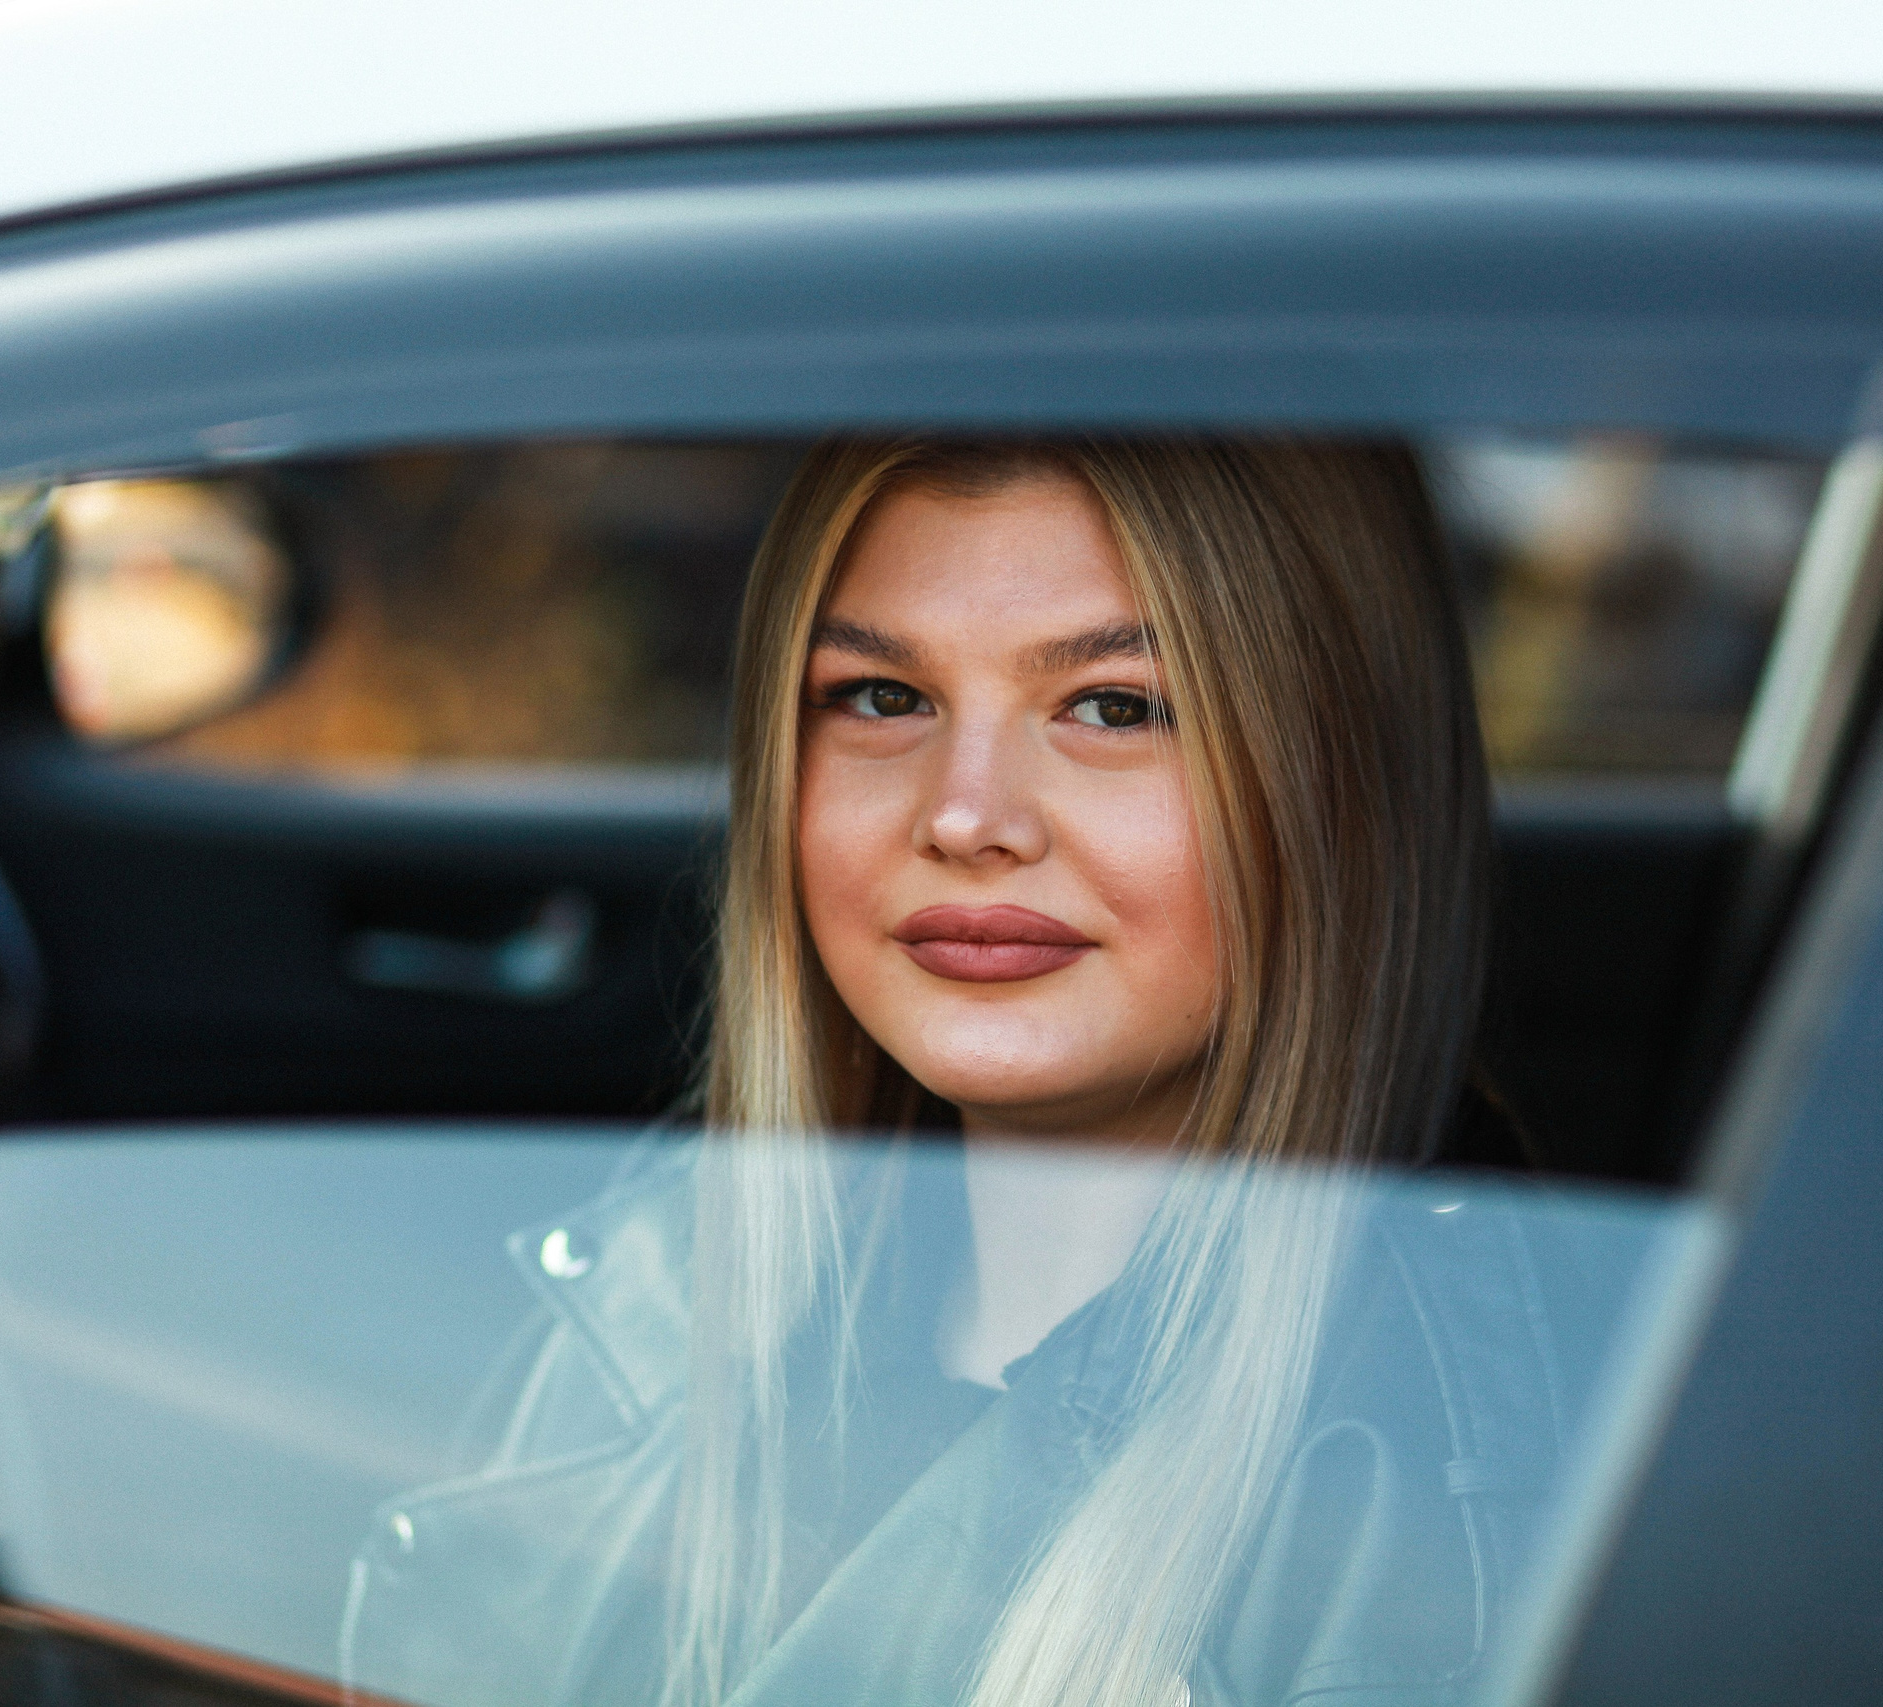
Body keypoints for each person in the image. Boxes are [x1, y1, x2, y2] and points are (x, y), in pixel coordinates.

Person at [342, 437, 1599, 1707]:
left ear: (1346, 796)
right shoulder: (664, 1304)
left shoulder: (1450, 1515)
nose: (963, 815)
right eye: (883, 697)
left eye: (1114, 708)